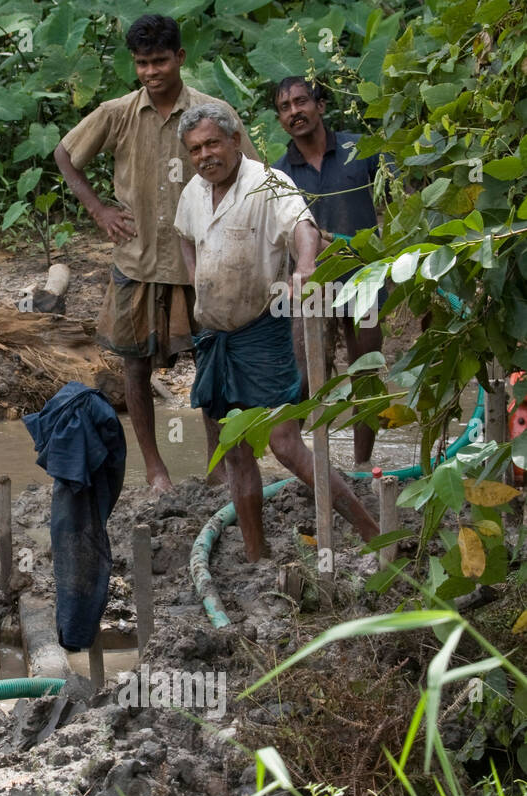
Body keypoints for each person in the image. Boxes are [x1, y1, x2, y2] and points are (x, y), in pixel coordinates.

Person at [54, 13, 256, 493]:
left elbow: (250, 169)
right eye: (143, 63)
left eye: (160, 61)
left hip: (202, 264)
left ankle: (217, 464)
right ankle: (156, 469)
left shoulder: (211, 110)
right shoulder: (117, 111)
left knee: (213, 362)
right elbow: (65, 154)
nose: (151, 72)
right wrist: (100, 211)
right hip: (137, 260)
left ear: (180, 58)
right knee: (135, 366)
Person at [173, 103, 380, 561]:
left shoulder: (267, 182)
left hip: (262, 332)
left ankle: (371, 531)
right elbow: (184, 235)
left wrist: (305, 267)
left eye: (212, 144)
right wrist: (194, 279)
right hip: (214, 338)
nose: (205, 155)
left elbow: (303, 226)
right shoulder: (192, 191)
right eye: (195, 149)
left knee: (285, 444)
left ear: (235, 140)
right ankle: (255, 553)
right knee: (236, 452)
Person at [273, 76, 384, 464]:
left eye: (301, 102)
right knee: (301, 380)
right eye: (285, 108)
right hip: (310, 288)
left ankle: (360, 467)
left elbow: (395, 200)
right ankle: (302, 464)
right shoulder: (279, 174)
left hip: (363, 279)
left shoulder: (361, 148)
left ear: (320, 106)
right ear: (280, 119)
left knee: (366, 375)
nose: (294, 112)